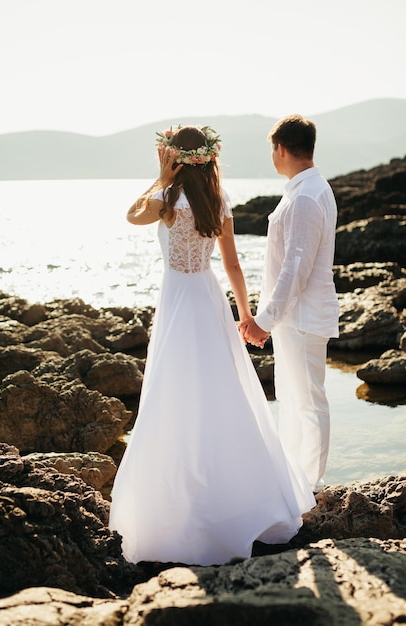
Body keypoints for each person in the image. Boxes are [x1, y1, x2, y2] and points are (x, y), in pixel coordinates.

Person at [109, 124, 315, 567]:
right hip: (208, 298)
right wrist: (245, 314)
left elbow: (131, 215)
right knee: (225, 394)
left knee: (174, 395)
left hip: (178, 301)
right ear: (208, 158)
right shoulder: (218, 201)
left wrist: (162, 178)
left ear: (173, 157)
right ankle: (242, 499)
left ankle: (182, 510)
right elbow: (233, 263)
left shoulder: (165, 200)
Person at [240, 114, 340, 495]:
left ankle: (310, 484)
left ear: (281, 149)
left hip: (301, 317)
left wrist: (263, 320)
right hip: (296, 318)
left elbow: (294, 268)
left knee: (309, 402)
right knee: (294, 399)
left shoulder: (305, 197)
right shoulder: (310, 189)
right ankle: (294, 477)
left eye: (272, 149)